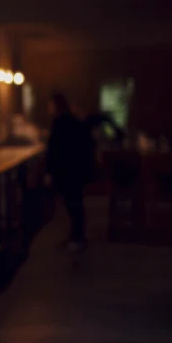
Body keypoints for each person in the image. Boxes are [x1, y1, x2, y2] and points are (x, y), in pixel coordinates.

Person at [46, 92, 94, 251]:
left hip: (69, 170)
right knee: (75, 204)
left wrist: (50, 171)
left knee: (73, 204)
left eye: (51, 104)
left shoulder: (61, 122)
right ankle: (77, 237)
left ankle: (77, 238)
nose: (49, 108)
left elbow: (54, 149)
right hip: (75, 169)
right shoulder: (71, 120)